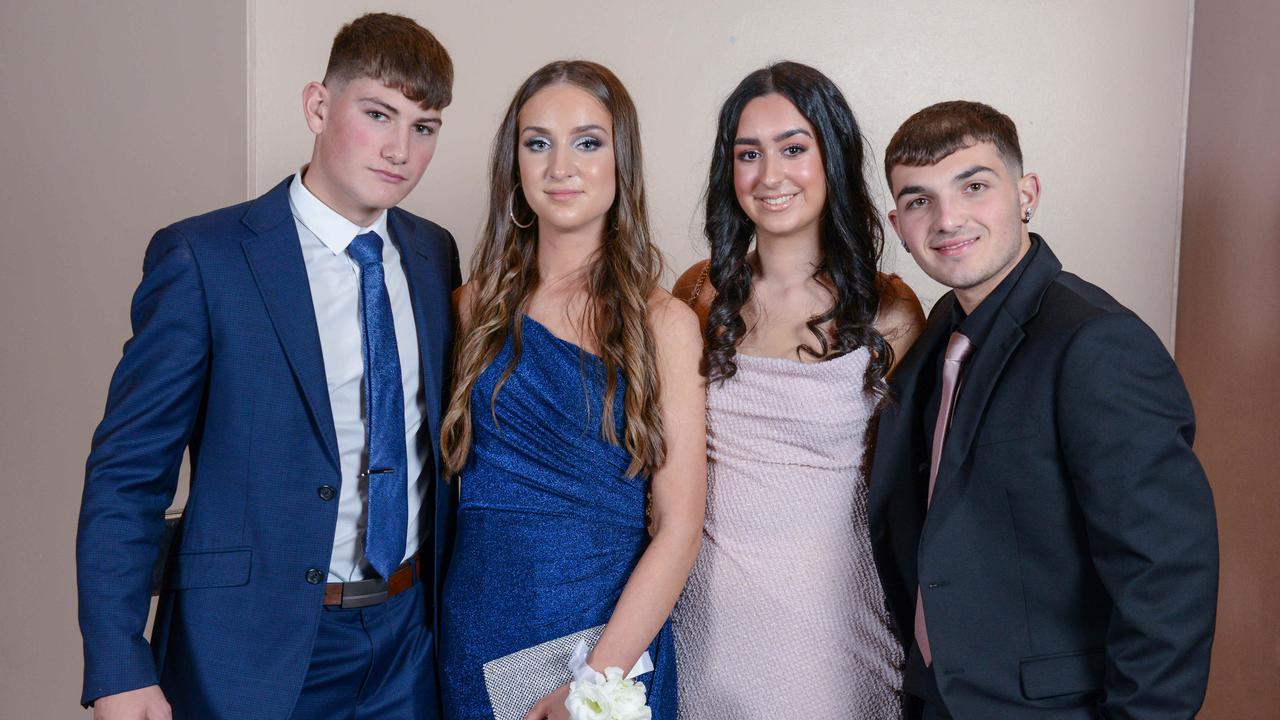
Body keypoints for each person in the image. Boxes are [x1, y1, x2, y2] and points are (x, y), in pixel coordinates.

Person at [76, 14, 459, 719]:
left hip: (408, 637)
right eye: (378, 114)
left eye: (424, 126)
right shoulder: (205, 259)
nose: (400, 148)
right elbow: (128, 474)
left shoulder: (435, 256)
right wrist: (117, 664)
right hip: (250, 646)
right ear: (319, 106)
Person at [869, 100, 1218, 719]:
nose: (948, 219)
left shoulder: (1096, 342)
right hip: (938, 700)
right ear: (898, 224)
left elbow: (1165, 578)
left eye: (973, 186)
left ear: (1026, 194)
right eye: (920, 200)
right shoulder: (934, 341)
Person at [437, 60, 705, 720]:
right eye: (538, 143)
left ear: (622, 162)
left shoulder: (663, 323)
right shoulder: (471, 308)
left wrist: (595, 679)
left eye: (588, 141)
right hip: (475, 636)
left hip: (605, 643)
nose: (561, 167)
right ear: (515, 166)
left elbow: (679, 527)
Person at [670, 61, 925, 718]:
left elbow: (910, 487)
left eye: (793, 148)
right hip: (706, 628)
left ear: (832, 157)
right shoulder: (699, 294)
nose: (769, 175)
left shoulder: (892, 311)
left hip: (835, 632)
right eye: (748, 154)